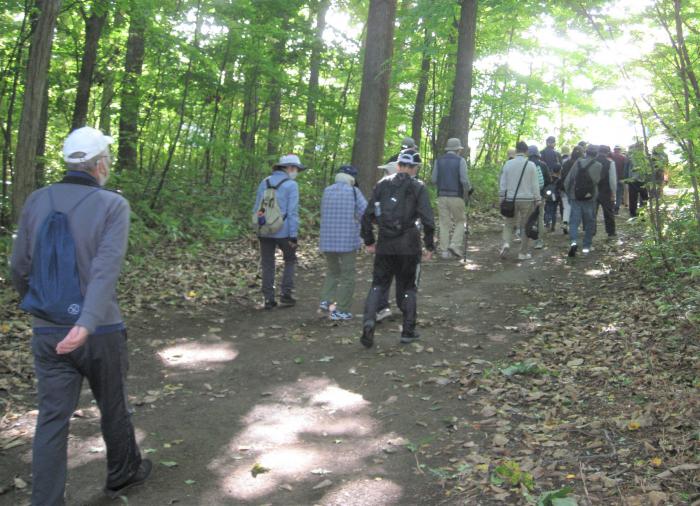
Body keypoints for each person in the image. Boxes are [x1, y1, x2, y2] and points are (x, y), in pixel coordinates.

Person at [10, 127, 150, 504]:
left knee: (52, 419)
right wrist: (85, 323)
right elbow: (105, 271)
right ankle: (122, 473)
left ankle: (46, 500)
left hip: (48, 332)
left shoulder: (37, 199)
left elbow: (19, 267)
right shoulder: (113, 205)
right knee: (113, 404)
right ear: (100, 164)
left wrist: (40, 307)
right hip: (100, 330)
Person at [360, 151, 435, 347]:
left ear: (398, 164)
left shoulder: (382, 184)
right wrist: (429, 245)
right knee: (408, 286)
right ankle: (407, 331)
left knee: (378, 284)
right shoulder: (418, 187)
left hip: (385, 244)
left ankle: (369, 322)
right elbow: (428, 219)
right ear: (413, 168)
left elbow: (367, 215)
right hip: (409, 246)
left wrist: (369, 241)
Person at [253, 154, 304, 309]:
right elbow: (293, 211)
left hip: (265, 229)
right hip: (284, 230)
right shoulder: (291, 185)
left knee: (268, 263)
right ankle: (286, 295)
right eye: (295, 169)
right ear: (289, 168)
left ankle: (268, 298)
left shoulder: (265, 182)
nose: (296, 172)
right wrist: (294, 235)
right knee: (290, 260)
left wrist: (257, 227)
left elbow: (257, 207)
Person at [318, 165, 368, 321]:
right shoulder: (353, 192)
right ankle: (342, 309)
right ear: (351, 178)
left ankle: (326, 300)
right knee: (348, 275)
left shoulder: (327, 191)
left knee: (332, 271)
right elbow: (365, 213)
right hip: (347, 241)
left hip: (327, 240)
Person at [499, 141, 541, 260]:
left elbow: (503, 183)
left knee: (508, 223)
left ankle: (506, 243)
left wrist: (502, 197)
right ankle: (522, 253)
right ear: (526, 151)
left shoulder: (508, 164)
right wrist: (537, 198)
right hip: (527, 200)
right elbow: (535, 184)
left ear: (516, 150)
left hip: (510, 200)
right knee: (525, 226)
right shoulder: (531, 165)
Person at [431, 137, 472, 260]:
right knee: (460, 221)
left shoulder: (439, 161)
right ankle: (454, 244)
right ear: (458, 150)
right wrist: (469, 189)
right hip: (456, 196)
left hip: (442, 196)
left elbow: (433, 180)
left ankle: (444, 251)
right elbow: (464, 180)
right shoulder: (461, 161)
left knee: (444, 223)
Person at [564, 145, 603, 256]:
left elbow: (569, 179)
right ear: (596, 154)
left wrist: (569, 193)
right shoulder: (599, 166)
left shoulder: (578, 162)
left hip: (576, 197)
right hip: (590, 198)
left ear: (586, 152)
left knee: (574, 222)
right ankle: (586, 246)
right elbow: (597, 181)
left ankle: (573, 242)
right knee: (590, 222)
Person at [528, 145, 551, 249]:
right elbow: (548, 181)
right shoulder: (543, 165)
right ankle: (539, 241)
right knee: (540, 217)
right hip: (540, 195)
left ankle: (526, 241)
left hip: (527, 195)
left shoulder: (526, 165)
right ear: (537, 154)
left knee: (527, 217)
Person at [559, 145, 583, 234]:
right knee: (576, 208)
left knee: (566, 207)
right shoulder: (581, 163)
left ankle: (565, 222)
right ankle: (574, 226)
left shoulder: (566, 163)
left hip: (565, 188)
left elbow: (562, 176)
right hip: (576, 189)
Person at [596, 145, 617, 238]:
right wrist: (613, 192)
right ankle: (611, 232)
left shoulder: (593, 161)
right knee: (608, 212)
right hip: (606, 190)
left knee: (592, 212)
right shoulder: (610, 162)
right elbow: (612, 179)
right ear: (607, 152)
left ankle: (591, 230)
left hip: (593, 190)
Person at [627, 142, 648, 219]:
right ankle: (635, 215)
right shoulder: (632, 156)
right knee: (636, 198)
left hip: (640, 180)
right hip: (635, 180)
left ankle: (640, 215)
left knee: (642, 198)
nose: (641, 148)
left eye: (641, 146)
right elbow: (627, 168)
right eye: (640, 146)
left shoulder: (644, 156)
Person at [611, 145, 628, 213]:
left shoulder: (611, 156)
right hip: (620, 178)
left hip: (611, 178)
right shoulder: (623, 158)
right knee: (619, 194)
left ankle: (612, 206)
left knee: (611, 193)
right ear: (620, 150)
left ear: (614, 149)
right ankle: (617, 208)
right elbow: (625, 169)